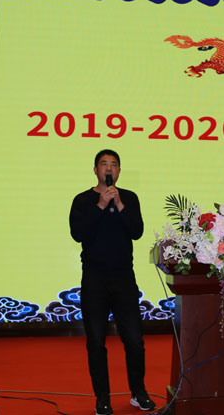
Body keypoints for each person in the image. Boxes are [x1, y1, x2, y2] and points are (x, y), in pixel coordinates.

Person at [69, 149, 156, 415]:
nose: (109, 168)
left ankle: (138, 392)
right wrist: (100, 205)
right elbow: (78, 233)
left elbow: (137, 231)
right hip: (94, 279)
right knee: (96, 341)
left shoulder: (128, 198)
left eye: (114, 164)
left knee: (134, 340)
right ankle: (102, 399)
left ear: (119, 171)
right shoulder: (83, 200)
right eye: (104, 164)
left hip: (123, 278)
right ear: (95, 170)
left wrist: (118, 204)